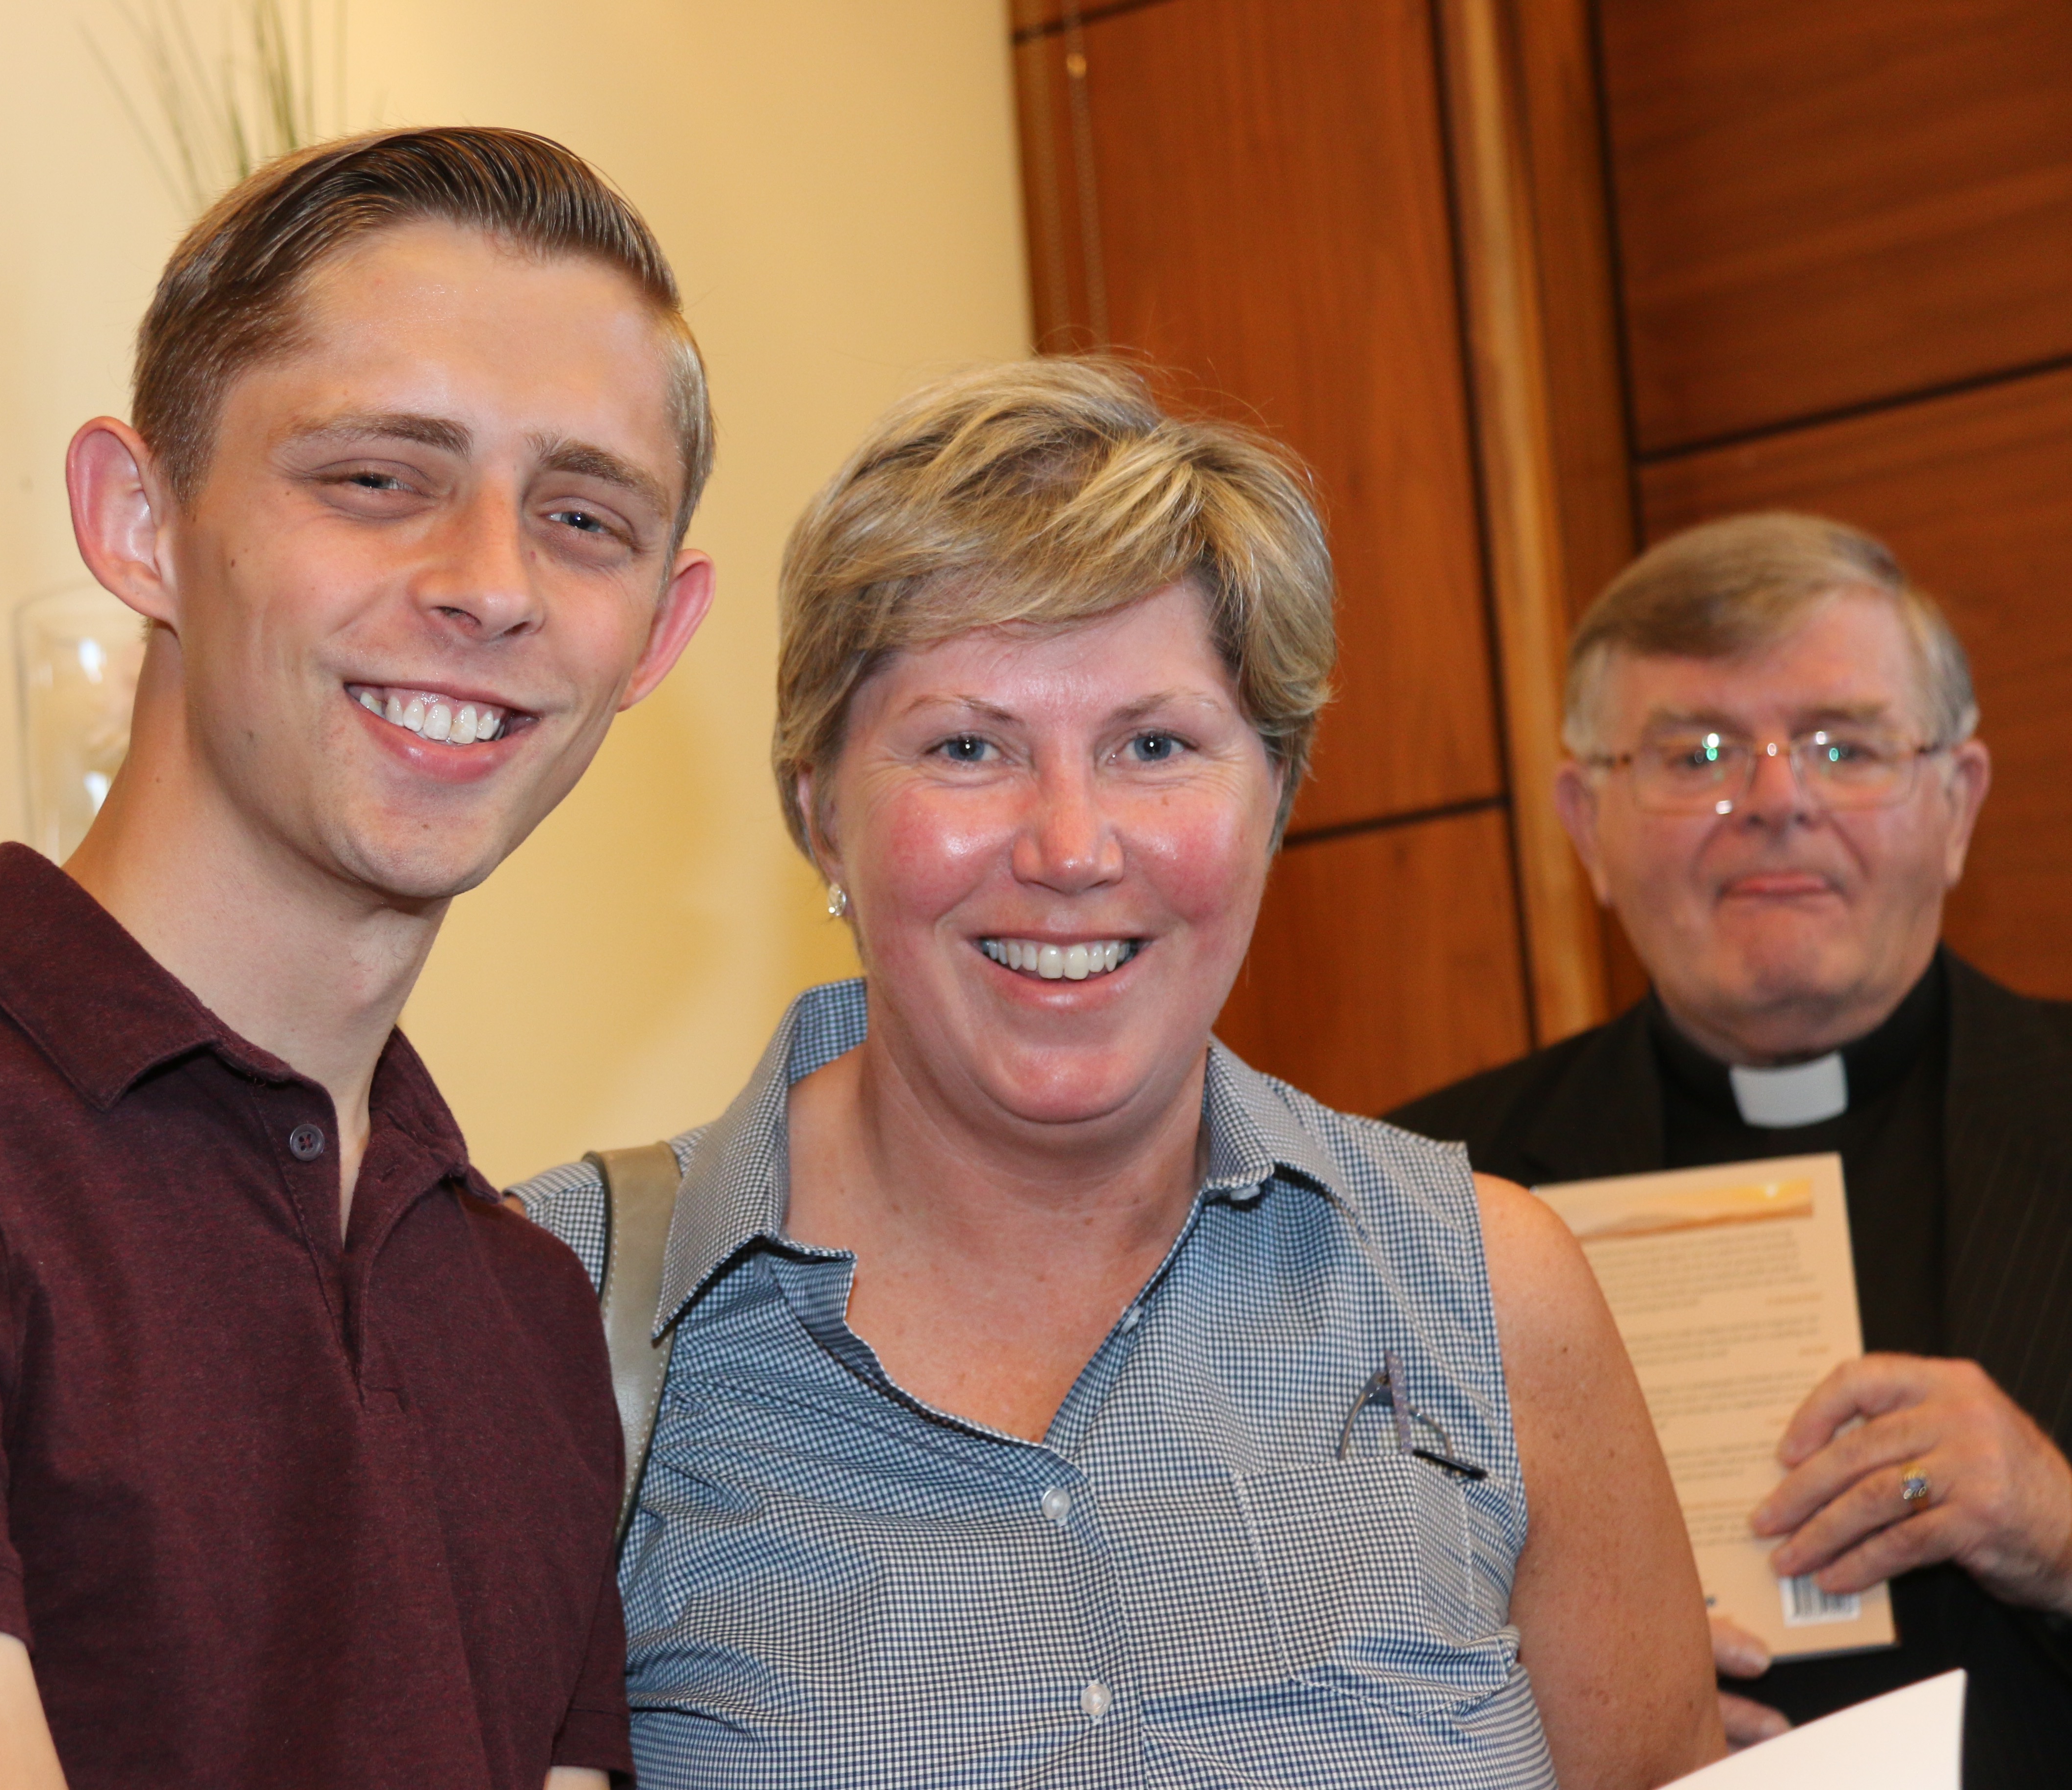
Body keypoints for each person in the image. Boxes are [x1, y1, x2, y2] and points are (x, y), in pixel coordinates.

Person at [0, 127, 718, 1790]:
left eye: (585, 518)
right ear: (137, 520)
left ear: (659, 633)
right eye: (378, 479)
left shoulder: (526, 1314)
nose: (489, 585)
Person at [514, 359, 1720, 1789]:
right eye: (968, 747)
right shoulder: (541, 1307)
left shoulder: (1491, 1295)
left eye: (1155, 745)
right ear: (819, 809)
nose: (1072, 847)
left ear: (1276, 796)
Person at [1390, 512, 2072, 1785]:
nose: (1775, 800)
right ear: (1586, 824)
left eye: (1843, 745)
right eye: (1696, 752)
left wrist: (2058, 1526)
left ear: (1957, 803)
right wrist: (1541, 1704)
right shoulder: (1412, 1198)